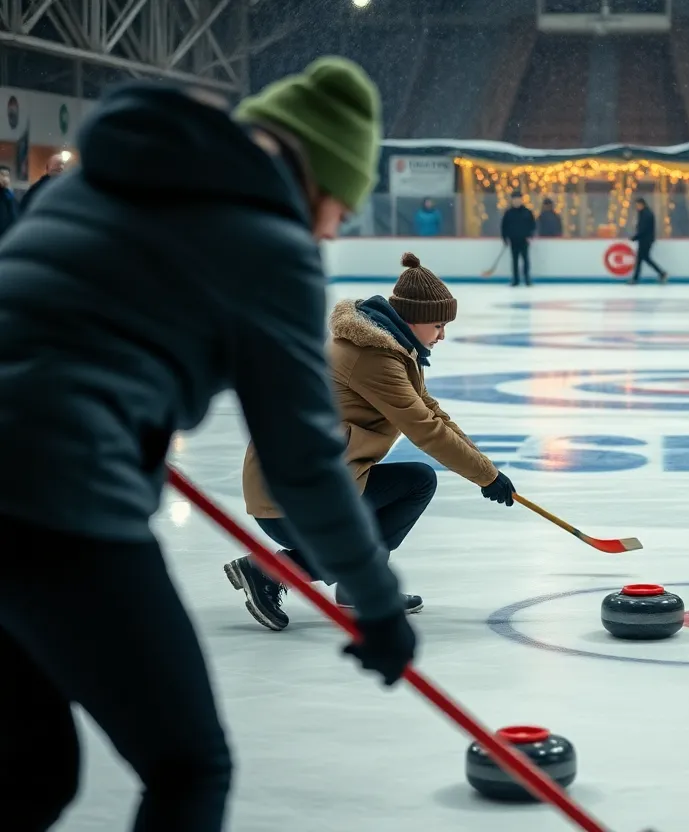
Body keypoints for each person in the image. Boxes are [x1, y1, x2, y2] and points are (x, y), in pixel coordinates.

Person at [0, 58, 417, 831]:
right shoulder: (268, 242)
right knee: (188, 767)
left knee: (30, 772)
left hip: (38, 473)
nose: (331, 230)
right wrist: (377, 601)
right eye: (340, 208)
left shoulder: (84, 181)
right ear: (317, 181)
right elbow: (301, 460)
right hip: (59, 498)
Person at [235, 252, 515, 629]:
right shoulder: (375, 358)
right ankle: (271, 571)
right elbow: (425, 430)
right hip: (290, 497)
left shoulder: (392, 349)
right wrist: (485, 476)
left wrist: (488, 471)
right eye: (438, 324)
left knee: (417, 480)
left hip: (306, 481)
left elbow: (434, 415)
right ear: (413, 319)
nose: (442, 335)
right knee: (416, 484)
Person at [500, 189, 536, 286]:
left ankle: (527, 279)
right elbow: (504, 227)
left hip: (524, 240)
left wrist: (530, 235)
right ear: (512, 200)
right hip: (513, 240)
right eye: (515, 199)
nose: (517, 201)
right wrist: (505, 238)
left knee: (525, 260)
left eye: (518, 199)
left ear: (521, 200)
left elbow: (532, 225)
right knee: (515, 261)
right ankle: (515, 280)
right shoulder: (508, 213)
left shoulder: (527, 212)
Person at [630, 197, 667, 284]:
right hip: (644, 239)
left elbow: (643, 229)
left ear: (641, 204)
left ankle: (661, 273)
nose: (636, 207)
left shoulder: (646, 214)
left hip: (645, 240)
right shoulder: (643, 213)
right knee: (643, 258)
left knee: (643, 258)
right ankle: (661, 273)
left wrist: (635, 237)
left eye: (637, 205)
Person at [0, 165, 17, 238]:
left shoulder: (8, 193)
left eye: (7, 175)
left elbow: (14, 213)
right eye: (2, 175)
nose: (5, 178)